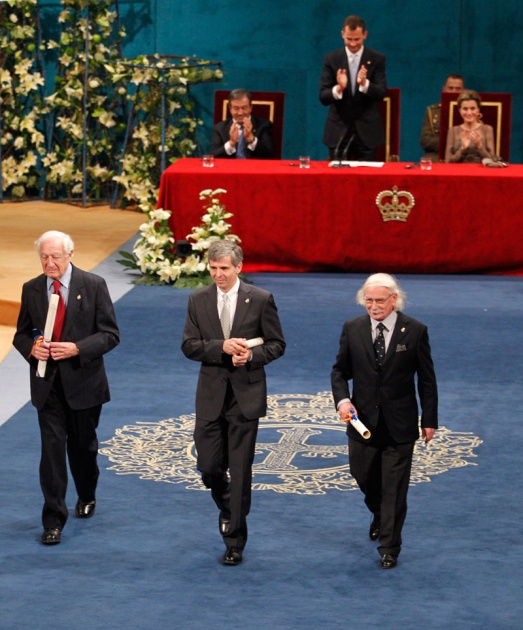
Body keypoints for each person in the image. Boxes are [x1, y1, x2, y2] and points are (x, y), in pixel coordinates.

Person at [181, 240, 285, 565]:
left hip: (245, 398)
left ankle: (234, 540)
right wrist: (220, 348)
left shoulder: (261, 299)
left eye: (224, 268)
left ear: (238, 267)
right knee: (209, 466)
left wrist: (252, 355)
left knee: (240, 471)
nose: (218, 275)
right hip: (210, 397)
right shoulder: (197, 300)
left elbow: (277, 344)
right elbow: (188, 345)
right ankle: (229, 504)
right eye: (213, 268)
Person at [13, 231, 120, 545]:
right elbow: (20, 335)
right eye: (44, 257)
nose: (49, 263)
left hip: (85, 384)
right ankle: (53, 520)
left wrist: (77, 348)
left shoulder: (94, 285)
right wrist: (31, 348)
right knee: (52, 452)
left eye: (55, 257)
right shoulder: (31, 289)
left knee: (83, 448)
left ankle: (87, 493)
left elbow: (110, 335)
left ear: (70, 255)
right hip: (47, 386)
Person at [331, 273, 438, 569]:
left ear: (394, 299)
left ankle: (389, 547)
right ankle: (378, 512)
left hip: (400, 424)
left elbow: (427, 380)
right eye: (369, 300)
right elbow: (339, 371)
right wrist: (343, 400)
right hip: (362, 423)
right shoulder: (352, 328)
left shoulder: (415, 330)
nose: (374, 306)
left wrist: (429, 419)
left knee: (395, 488)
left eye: (380, 300)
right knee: (362, 476)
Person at [319, 15, 387, 161]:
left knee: (367, 181)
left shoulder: (377, 59)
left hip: (367, 133)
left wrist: (365, 84)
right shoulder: (332, 59)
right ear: (342, 34)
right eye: (349, 39)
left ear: (365, 35)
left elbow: (381, 93)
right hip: (338, 132)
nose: (353, 44)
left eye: (357, 39)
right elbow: (323, 97)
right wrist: (339, 88)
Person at [211, 88, 274, 159]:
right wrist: (231, 143)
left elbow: (269, 154)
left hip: (255, 169)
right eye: (236, 108)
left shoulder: (264, 125)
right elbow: (214, 156)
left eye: (244, 108)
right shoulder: (219, 128)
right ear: (230, 109)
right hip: (229, 169)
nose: (240, 113)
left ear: (250, 108)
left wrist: (251, 139)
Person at [420, 73, 464, 160]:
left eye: (458, 89)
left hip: (463, 157)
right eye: (450, 88)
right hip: (436, 157)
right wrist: (453, 142)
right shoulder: (432, 111)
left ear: (463, 91)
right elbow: (425, 141)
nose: (454, 92)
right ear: (444, 89)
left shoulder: (469, 112)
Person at [445, 89, 496, 163]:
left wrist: (480, 146)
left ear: (478, 110)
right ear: (460, 111)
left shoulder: (487, 129)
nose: (469, 112)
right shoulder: (453, 131)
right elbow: (448, 162)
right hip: (458, 172)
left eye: (472, 109)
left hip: (481, 173)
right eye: (465, 109)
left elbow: (492, 161)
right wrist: (462, 149)